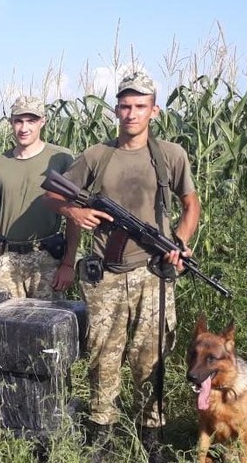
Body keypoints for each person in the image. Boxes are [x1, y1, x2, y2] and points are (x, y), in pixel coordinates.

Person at [43, 71, 199, 462]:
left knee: (153, 356)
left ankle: (152, 438)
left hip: (154, 273)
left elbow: (190, 205)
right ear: (116, 109)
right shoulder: (98, 155)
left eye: (140, 106)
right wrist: (73, 211)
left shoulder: (170, 155)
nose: (131, 113)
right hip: (105, 276)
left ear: (154, 111)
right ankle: (101, 435)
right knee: (103, 355)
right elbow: (51, 193)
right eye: (125, 106)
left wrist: (179, 242)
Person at [0, 95, 80, 299]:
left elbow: (73, 216)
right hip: (7, 261)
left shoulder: (61, 159)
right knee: (4, 325)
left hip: (47, 260)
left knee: (47, 325)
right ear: (11, 123)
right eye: (18, 121)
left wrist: (68, 264)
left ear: (43, 121)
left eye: (31, 121)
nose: (24, 128)